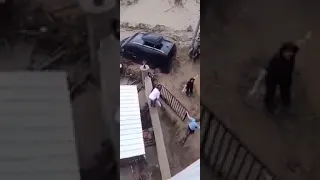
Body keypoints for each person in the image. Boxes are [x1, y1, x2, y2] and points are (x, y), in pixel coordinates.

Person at [260, 42, 300, 113]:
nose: (289, 55)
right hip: (273, 77)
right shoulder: (276, 59)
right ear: (283, 51)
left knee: (286, 92)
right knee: (271, 92)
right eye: (288, 52)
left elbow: (290, 68)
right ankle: (269, 106)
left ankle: (286, 105)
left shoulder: (291, 57)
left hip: (285, 77)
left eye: (291, 53)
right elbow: (269, 69)